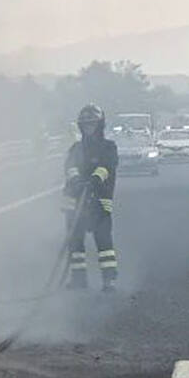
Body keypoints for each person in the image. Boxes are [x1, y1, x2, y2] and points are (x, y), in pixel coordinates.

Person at [63, 104, 119, 293]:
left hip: (99, 202)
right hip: (75, 202)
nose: (89, 127)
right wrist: (77, 180)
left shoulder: (108, 147)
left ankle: (109, 280)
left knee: (104, 243)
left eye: (92, 124)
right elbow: (69, 167)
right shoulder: (76, 148)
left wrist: (95, 179)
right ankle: (79, 279)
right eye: (85, 124)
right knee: (75, 242)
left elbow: (107, 167)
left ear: (100, 125)